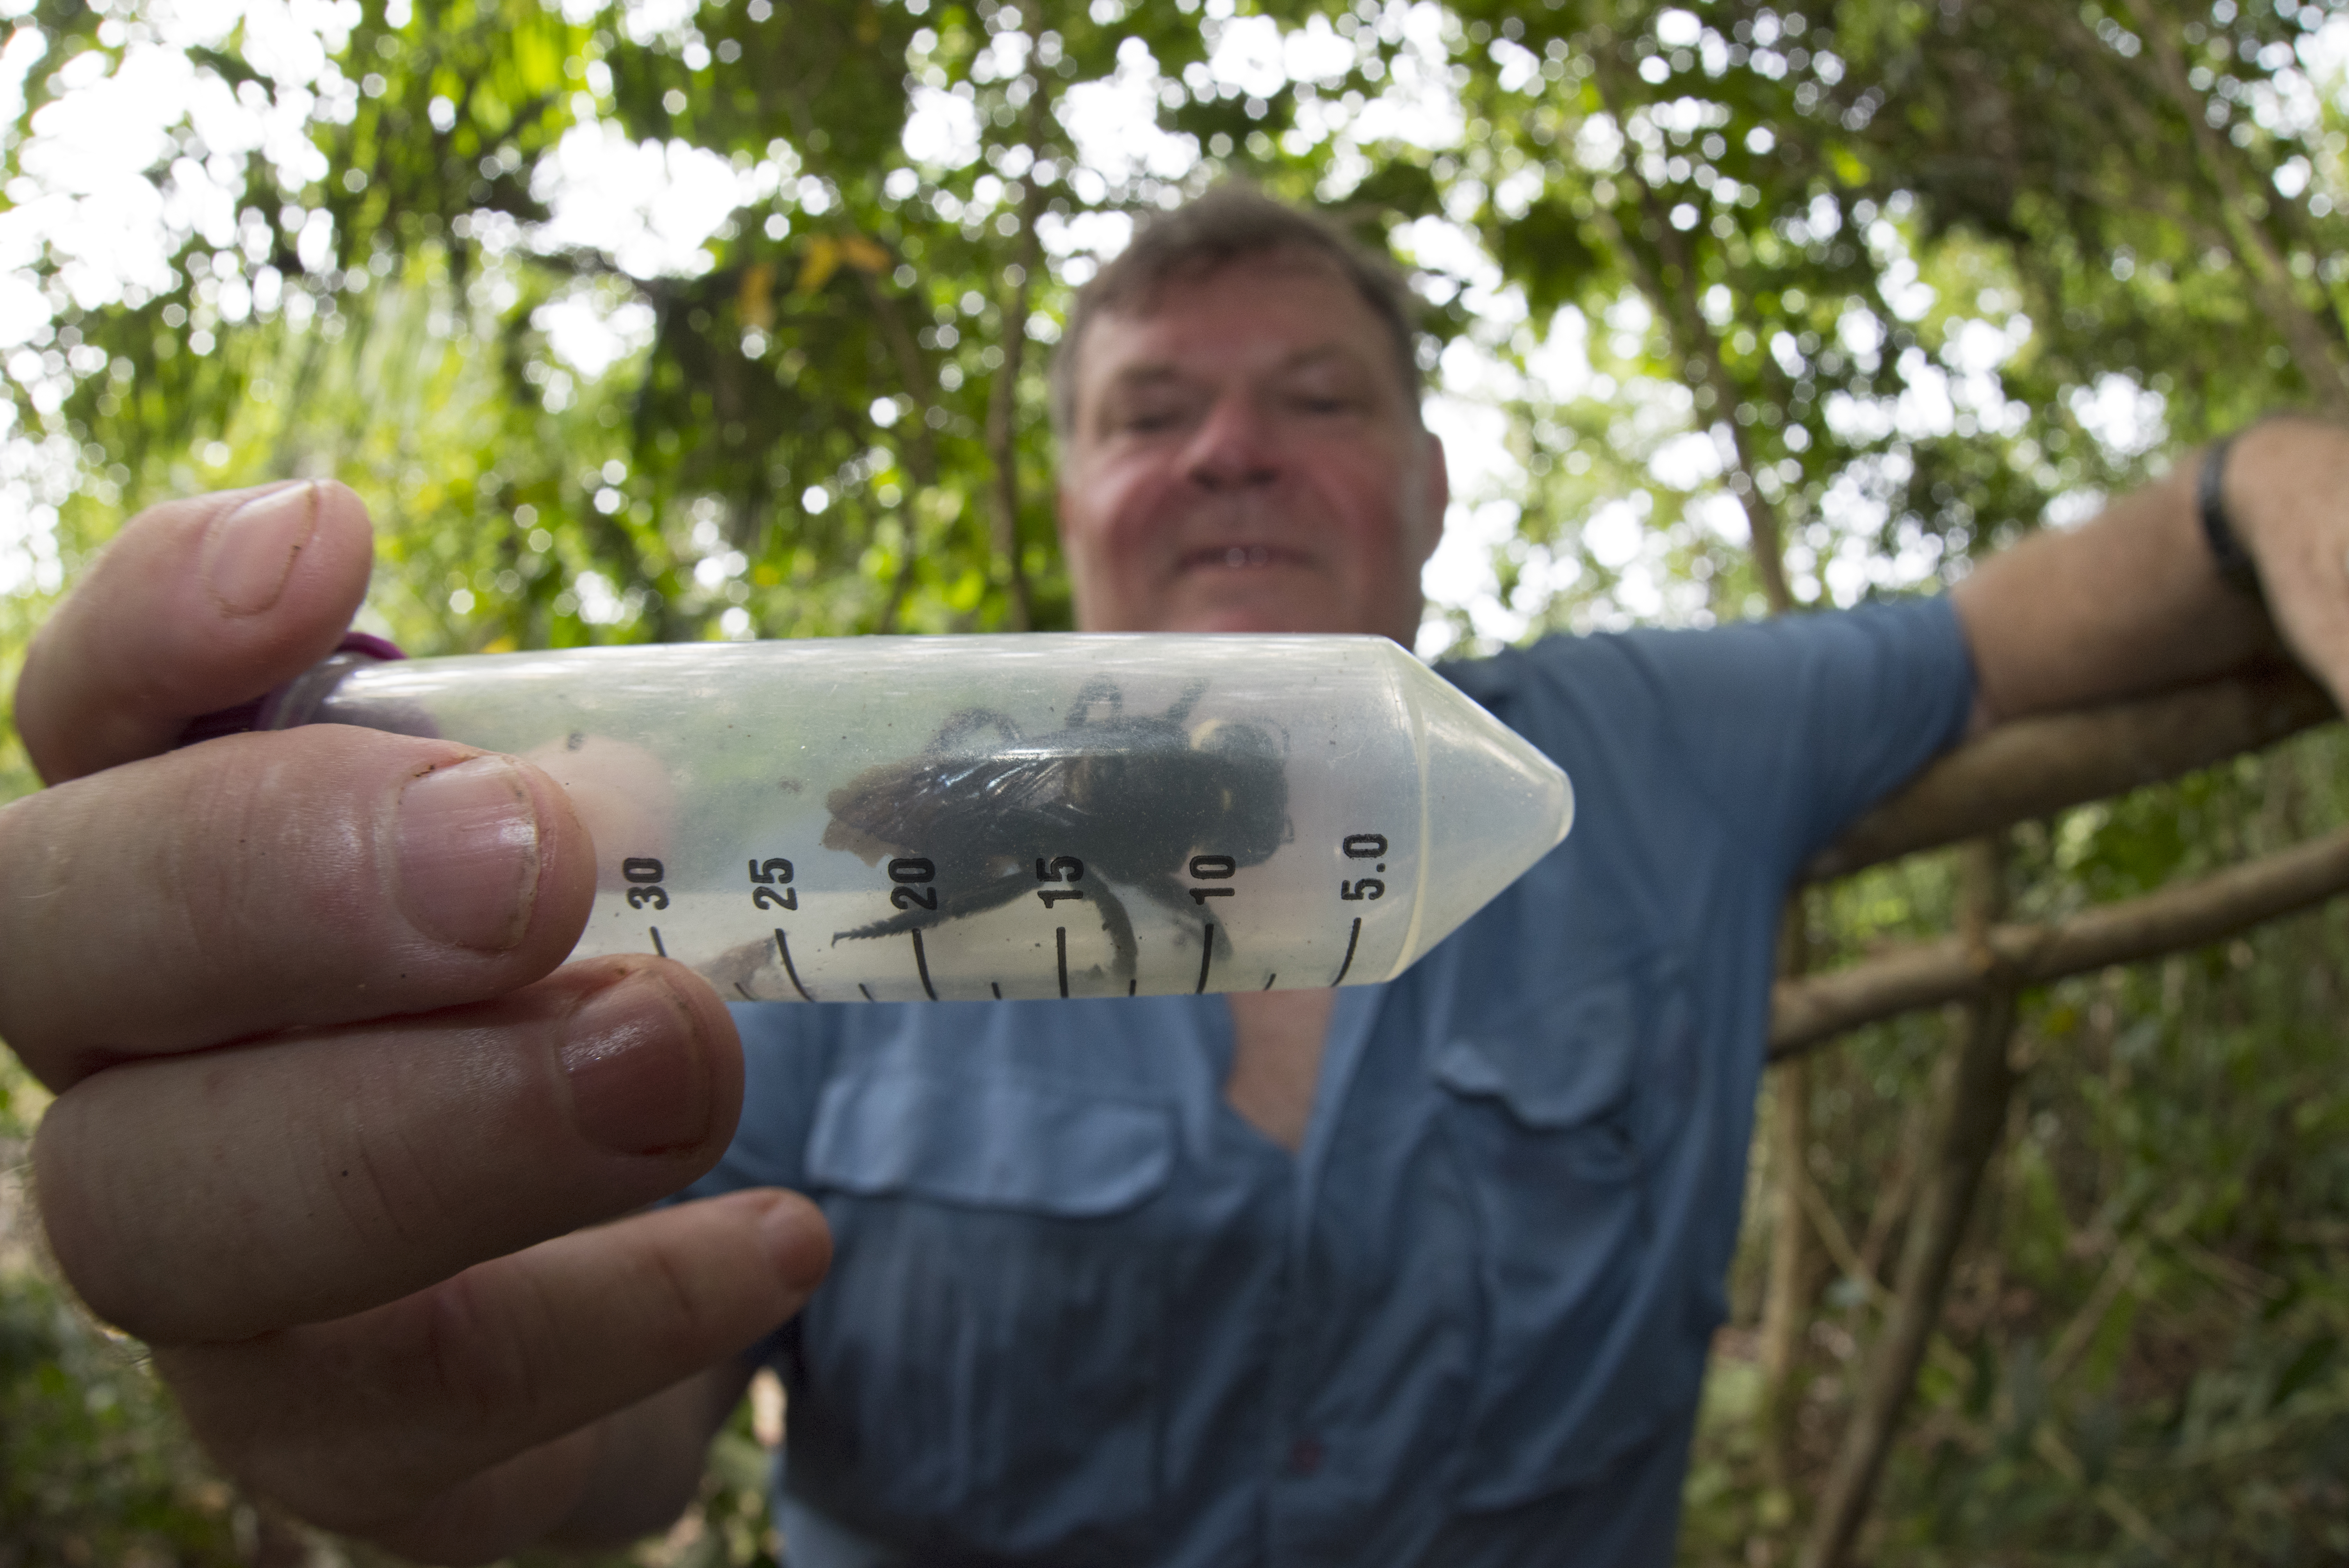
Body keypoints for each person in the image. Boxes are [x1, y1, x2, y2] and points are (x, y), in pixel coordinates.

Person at [0, 184, 2340, 1565]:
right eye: (1151, 410)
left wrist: (2293, 479)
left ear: (1428, 488)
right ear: (1073, 508)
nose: (1232, 452)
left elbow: (2118, 583)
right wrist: (383, 1368)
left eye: (1317, 398)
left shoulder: (1635, 749)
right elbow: (610, 1423)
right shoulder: (815, 820)